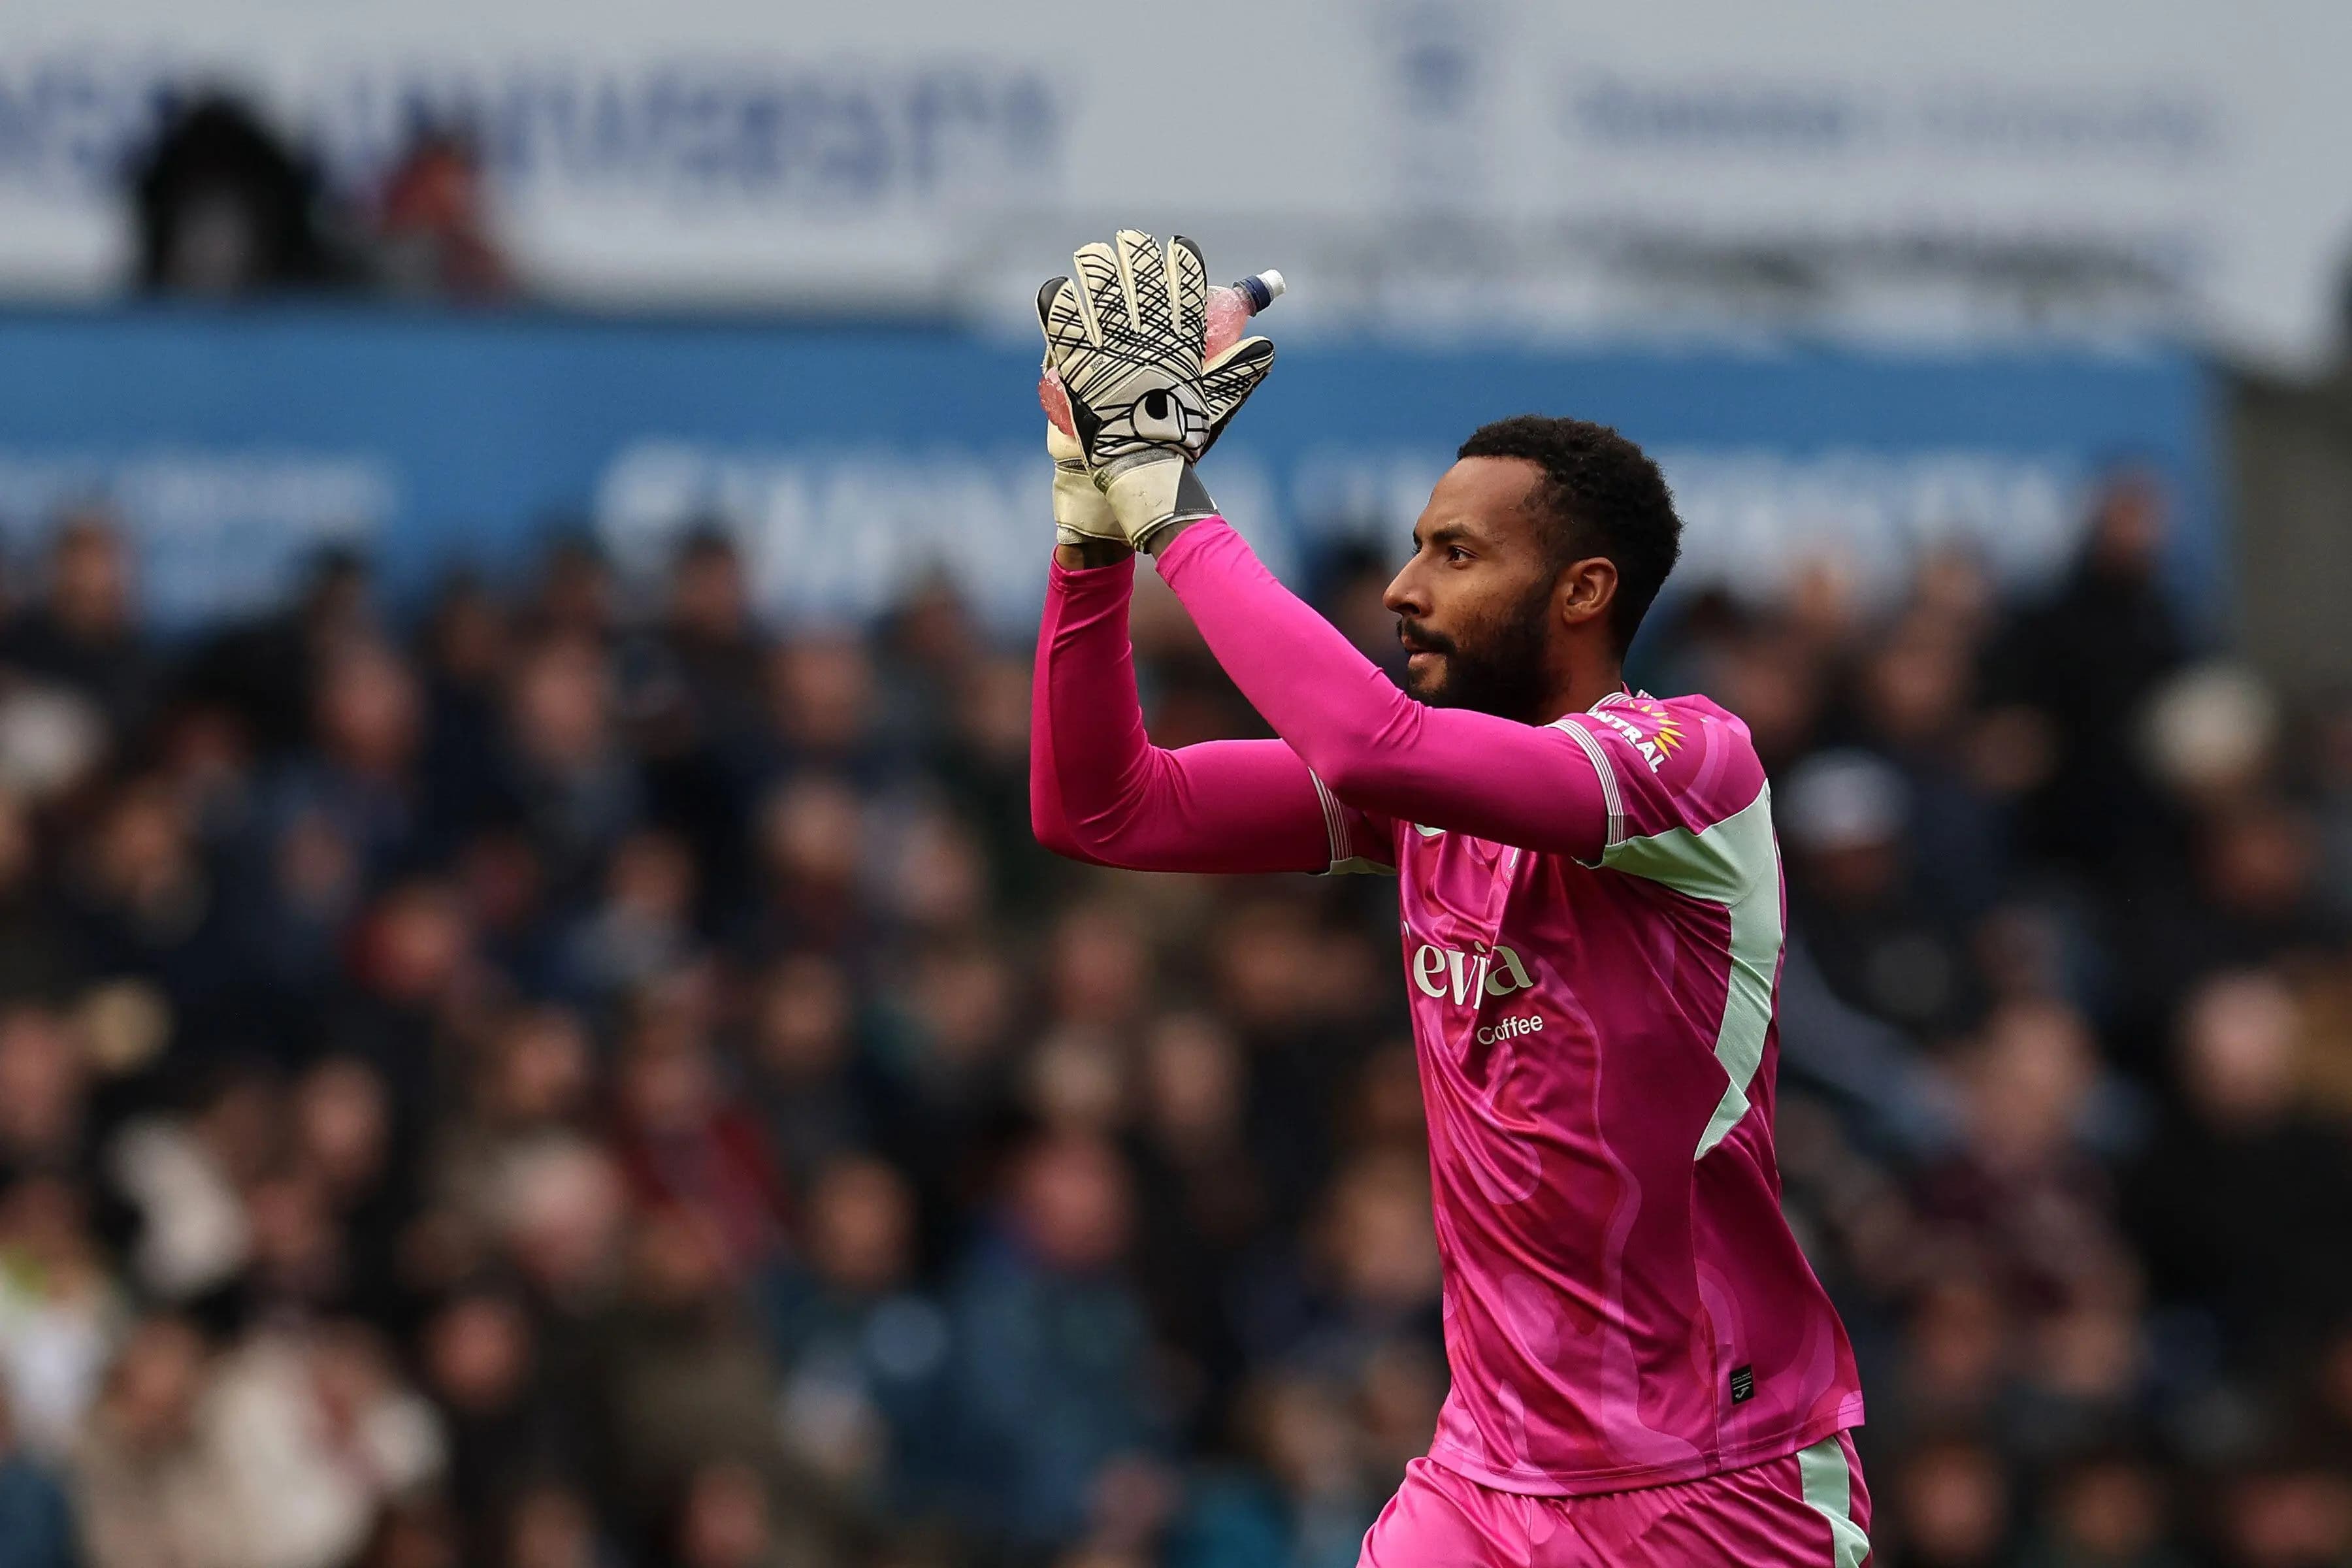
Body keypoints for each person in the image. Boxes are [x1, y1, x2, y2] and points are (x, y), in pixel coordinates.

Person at [1029, 231, 1870, 1566]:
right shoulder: (1421, 801)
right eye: (1415, 548)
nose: (1405, 590)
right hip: (1482, 1485)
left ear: (1584, 591)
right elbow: (1100, 808)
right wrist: (1093, 533)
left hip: (1717, 1484)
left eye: (1458, 556)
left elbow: (1365, 741)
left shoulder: (1691, 771)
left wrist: (1172, 504)